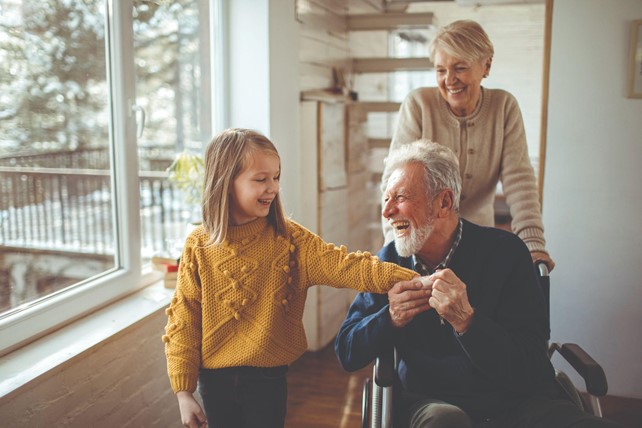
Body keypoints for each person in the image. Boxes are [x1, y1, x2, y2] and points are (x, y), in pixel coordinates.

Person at [335, 140, 620, 427]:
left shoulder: (507, 253)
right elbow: (347, 351)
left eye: (400, 198)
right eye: (386, 199)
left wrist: (468, 323)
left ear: (444, 202)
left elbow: (531, 367)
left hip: (518, 403)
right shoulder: (387, 264)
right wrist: (390, 317)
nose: (387, 212)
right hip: (433, 404)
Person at [162, 128, 419, 428]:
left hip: (267, 381)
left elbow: (348, 266)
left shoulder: (291, 240)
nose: (272, 187)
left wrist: (413, 278)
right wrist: (183, 392)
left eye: (276, 177)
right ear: (225, 182)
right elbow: (183, 321)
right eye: (261, 179)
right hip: (213, 382)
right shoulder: (198, 245)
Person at [382, 19, 555, 270]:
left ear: (486, 66)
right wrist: (395, 249)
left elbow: (519, 180)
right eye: (441, 70)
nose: (449, 80)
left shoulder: (504, 107)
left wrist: (533, 242)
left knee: (477, 307)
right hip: (424, 245)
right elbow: (394, 181)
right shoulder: (419, 104)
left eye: (460, 68)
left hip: (480, 242)